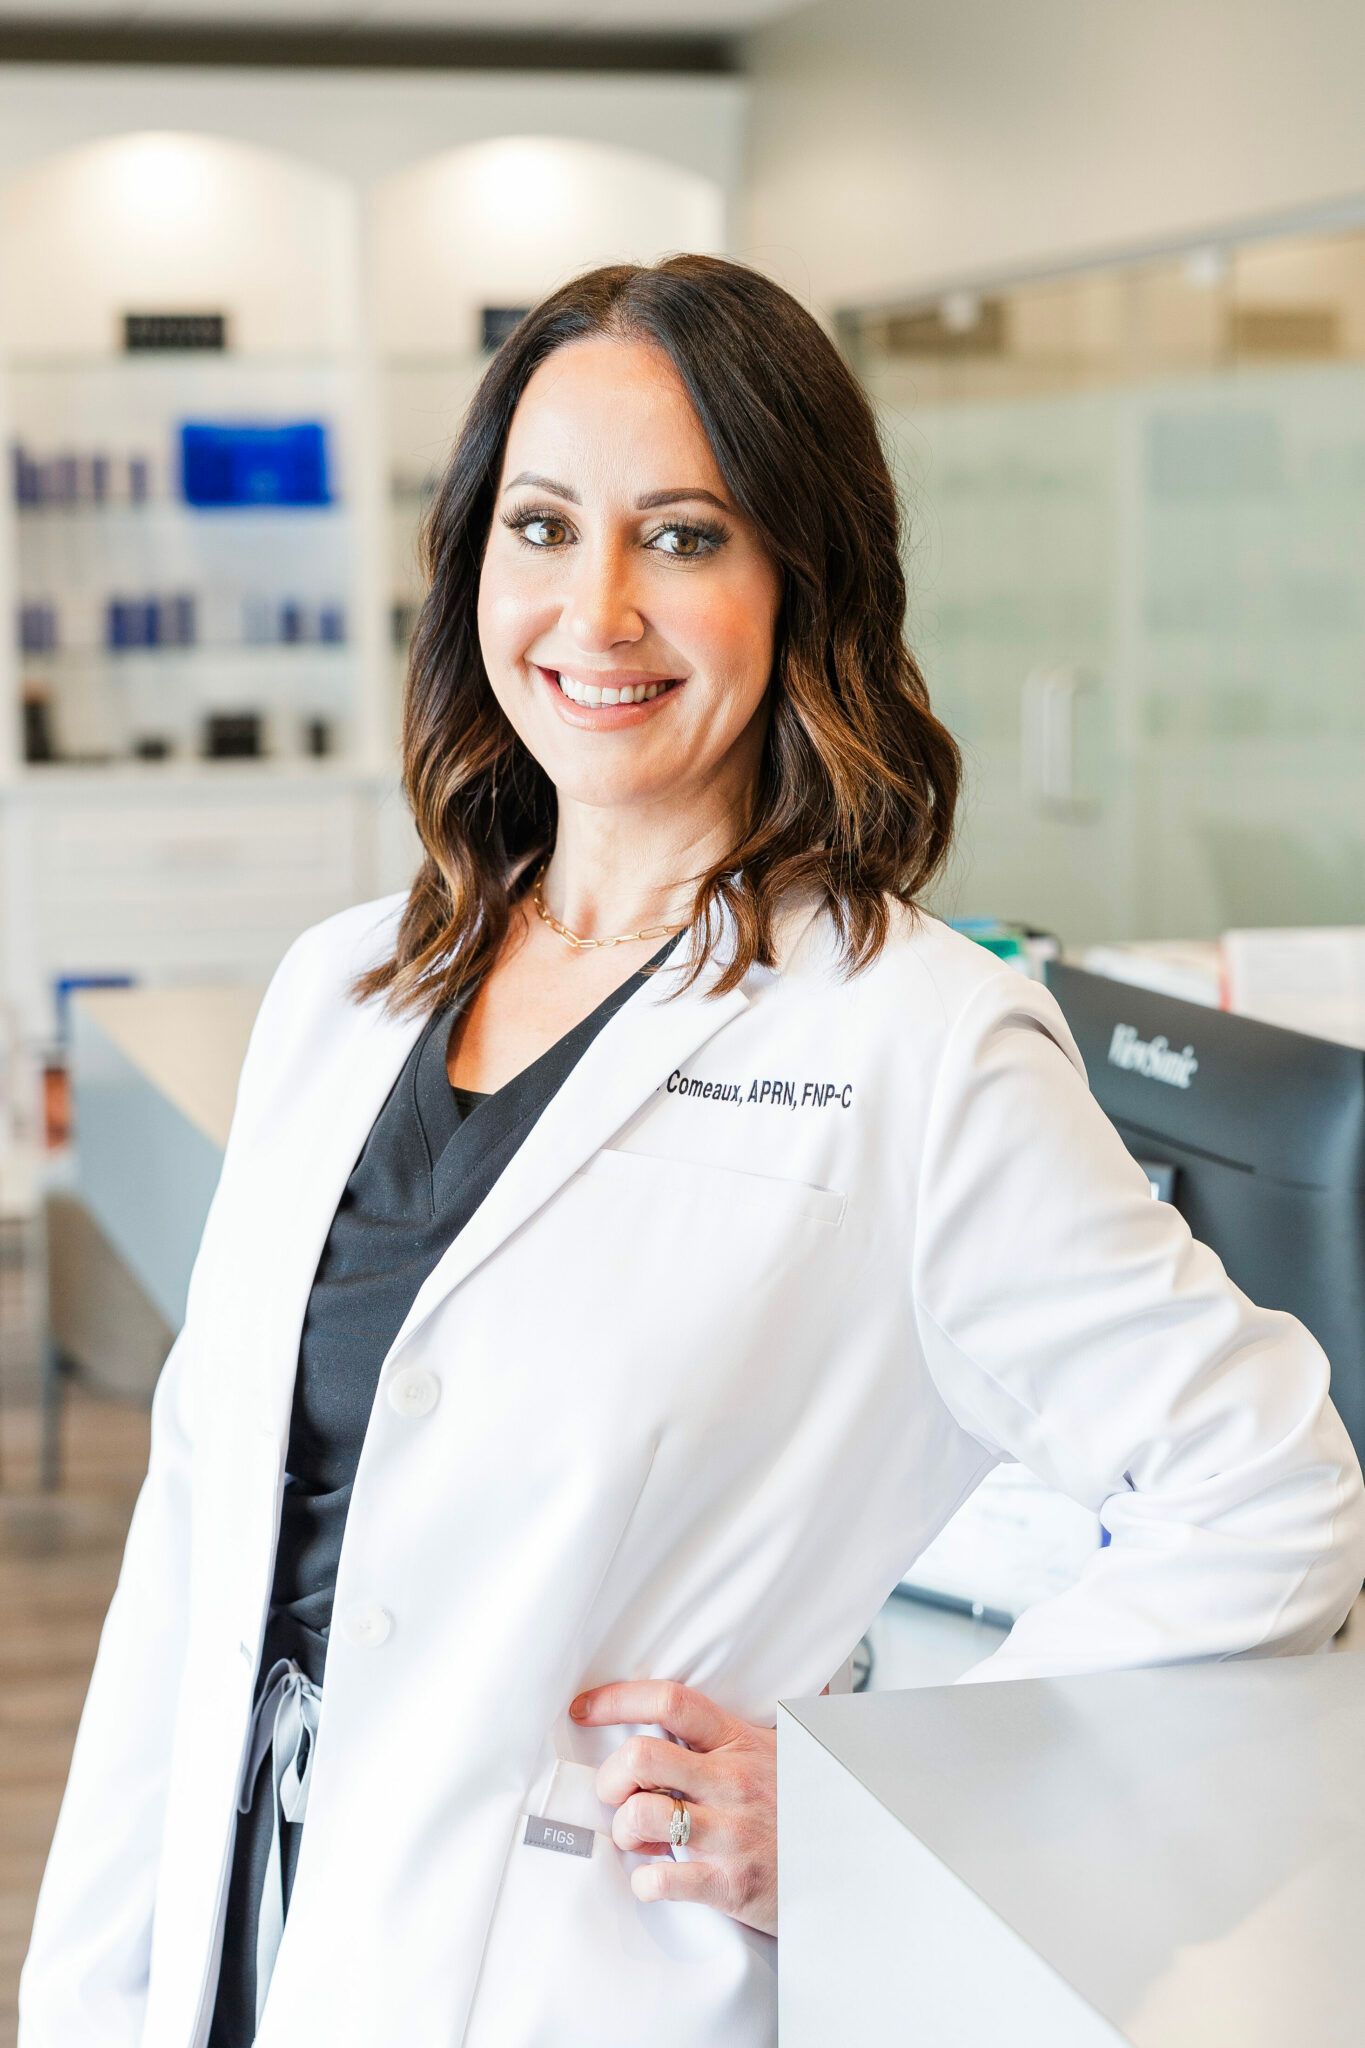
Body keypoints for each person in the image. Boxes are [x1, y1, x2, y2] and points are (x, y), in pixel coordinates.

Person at [19, 253, 1365, 2048]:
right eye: (543, 525)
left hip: (574, 1985)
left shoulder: (912, 1040)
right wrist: (84, 1995)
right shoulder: (341, 984)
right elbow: (195, 1550)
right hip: (238, 1945)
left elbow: (1267, 1490)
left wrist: (888, 1804)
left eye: (682, 535)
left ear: (804, 580)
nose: (595, 610)